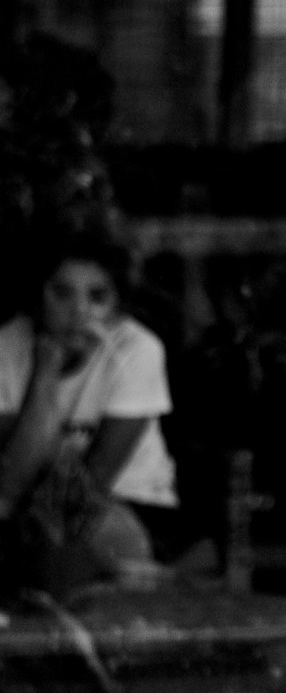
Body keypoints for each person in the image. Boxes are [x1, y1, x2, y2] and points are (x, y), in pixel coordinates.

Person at [0, 232, 177, 593]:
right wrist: (45, 374)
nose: (79, 311)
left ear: (117, 305)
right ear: (38, 294)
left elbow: (91, 485)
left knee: (58, 537)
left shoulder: (136, 349)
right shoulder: (9, 344)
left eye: (97, 297)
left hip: (127, 507)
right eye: (62, 293)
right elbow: (10, 479)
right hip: (28, 507)